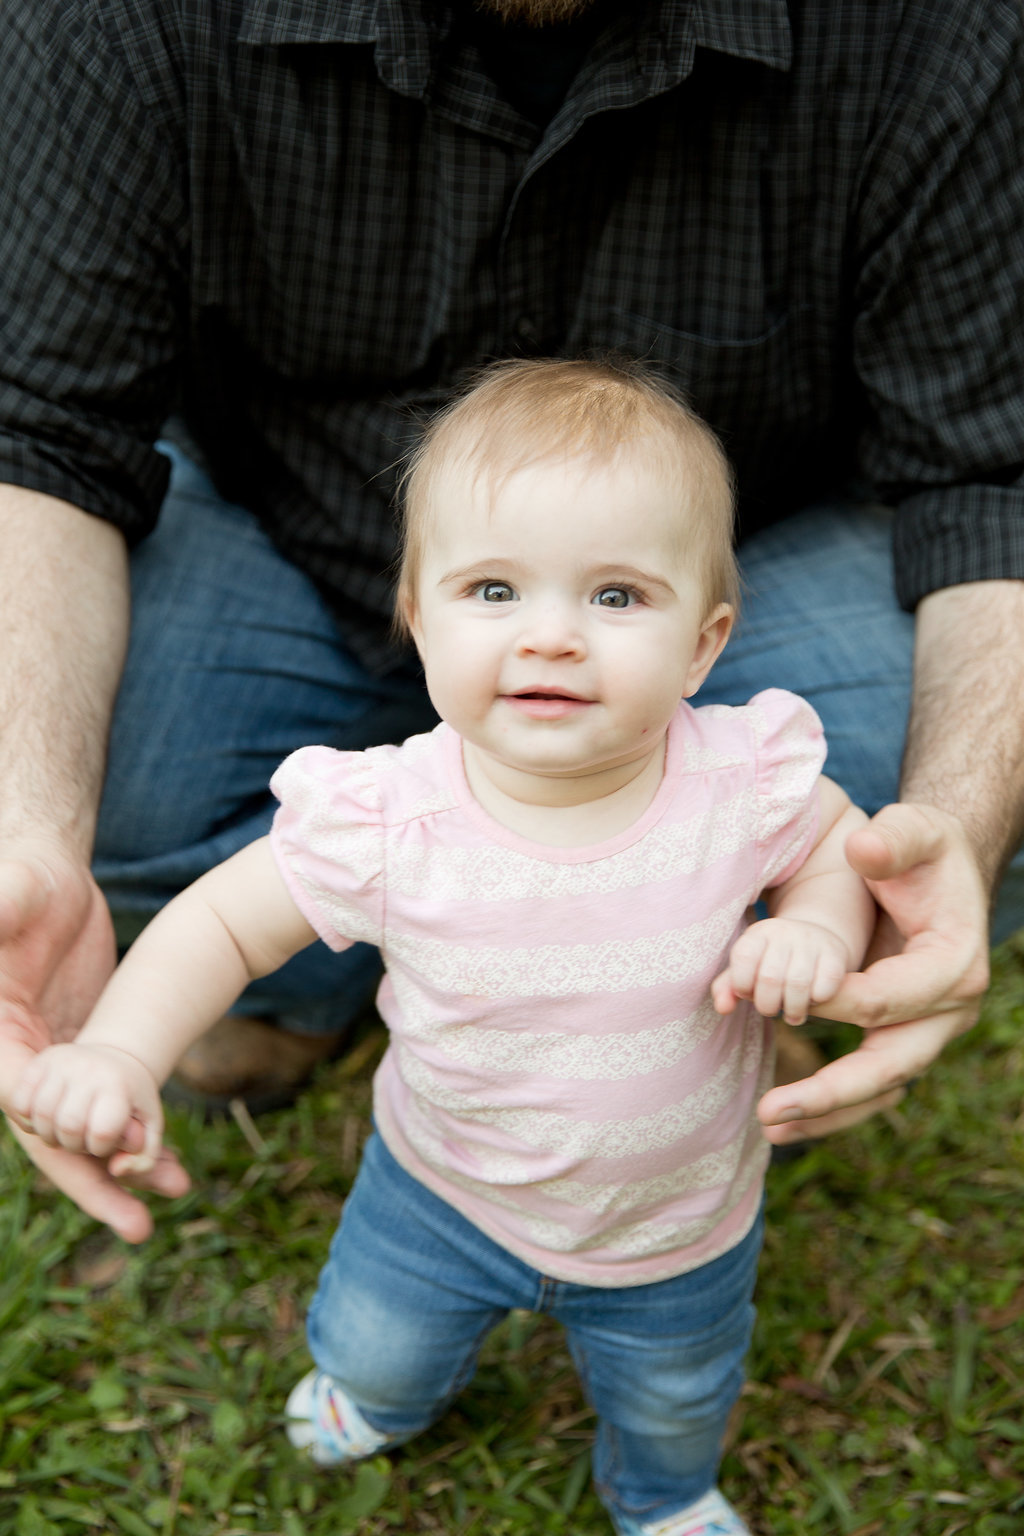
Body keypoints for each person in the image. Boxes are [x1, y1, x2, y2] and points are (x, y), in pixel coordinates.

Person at [1, 0, 1021, 1244]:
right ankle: (349, 962)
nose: (538, 640)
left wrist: (944, 841)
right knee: (104, 764)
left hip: (741, 566)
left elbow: (992, 478)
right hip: (272, 515)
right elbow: (37, 435)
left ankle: (687, 971)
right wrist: (30, 830)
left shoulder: (940, 28)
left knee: (901, 808)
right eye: (493, 606)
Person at [11, 360, 876, 1536]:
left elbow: (834, 840)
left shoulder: (743, 779)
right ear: (417, 614)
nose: (555, 638)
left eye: (617, 596)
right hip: (438, 1195)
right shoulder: (387, 818)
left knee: (675, 1395)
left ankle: (664, 1492)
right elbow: (219, 922)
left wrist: (818, 923)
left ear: (703, 643)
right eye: (494, 590)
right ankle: (375, 1399)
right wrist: (117, 1050)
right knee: (377, 1341)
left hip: (677, 1221)